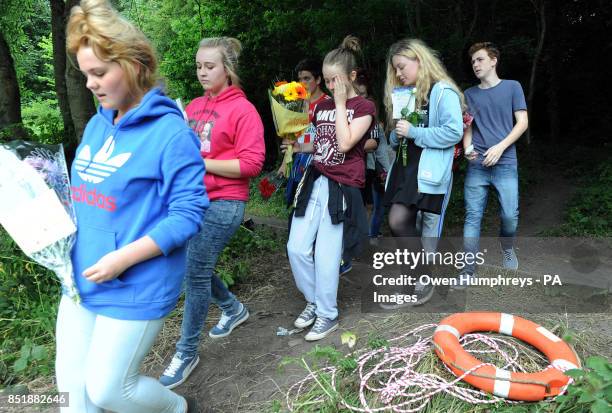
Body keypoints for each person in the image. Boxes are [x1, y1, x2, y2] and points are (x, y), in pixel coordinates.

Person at [60, 1, 207, 412]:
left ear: (134, 64)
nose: (90, 83)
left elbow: (188, 214)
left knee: (109, 390)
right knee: (73, 396)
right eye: (85, 73)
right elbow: (83, 198)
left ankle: (176, 408)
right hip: (80, 277)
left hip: (134, 282)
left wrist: (122, 258)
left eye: (99, 72)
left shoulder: (171, 134)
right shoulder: (96, 123)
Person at [159, 37, 265, 387]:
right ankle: (234, 309)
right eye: (199, 66)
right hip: (191, 200)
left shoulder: (243, 110)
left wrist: (203, 161)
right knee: (194, 265)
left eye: (210, 66)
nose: (202, 72)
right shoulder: (191, 106)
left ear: (227, 69)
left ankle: (186, 351)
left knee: (195, 272)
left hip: (225, 203)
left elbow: (252, 164)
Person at [285, 35, 374, 341]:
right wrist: (295, 144)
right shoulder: (320, 105)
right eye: (326, 80)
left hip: (342, 186)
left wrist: (338, 104)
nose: (330, 85)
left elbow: (347, 142)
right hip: (315, 179)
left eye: (335, 80)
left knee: (326, 254)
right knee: (295, 247)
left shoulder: (364, 107)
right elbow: (317, 142)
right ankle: (314, 300)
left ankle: (327, 314)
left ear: (350, 77)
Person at [382, 38, 464, 305]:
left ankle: (419, 280)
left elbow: (454, 132)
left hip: (425, 170)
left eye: (402, 66)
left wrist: (414, 131)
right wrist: (397, 132)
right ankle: (413, 284)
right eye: (395, 69)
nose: (398, 73)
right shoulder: (406, 95)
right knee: (401, 224)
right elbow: (397, 139)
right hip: (405, 168)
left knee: (398, 222)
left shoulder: (443, 91)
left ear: (420, 60)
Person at [457, 42, 528, 286]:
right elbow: (467, 126)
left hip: (505, 162)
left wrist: (500, 147)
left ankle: (506, 246)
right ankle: (467, 270)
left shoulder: (512, 87)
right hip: (477, 165)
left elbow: (522, 123)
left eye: (479, 59)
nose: (475, 64)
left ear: (493, 60)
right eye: (473, 61)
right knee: (472, 217)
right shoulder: (469, 94)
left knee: (510, 216)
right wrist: (467, 147)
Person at [278, 58, 329, 206]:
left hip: (319, 166)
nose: (302, 83)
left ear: (318, 79)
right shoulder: (298, 105)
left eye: (307, 78)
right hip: (298, 162)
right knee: (295, 206)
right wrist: (284, 164)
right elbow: (292, 136)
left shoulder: (328, 104)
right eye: (300, 79)